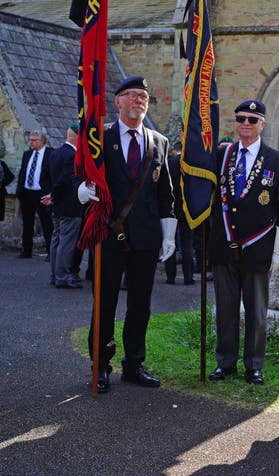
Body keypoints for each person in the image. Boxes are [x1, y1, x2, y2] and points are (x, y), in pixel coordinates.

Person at [76, 76, 177, 393]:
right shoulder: (100, 138)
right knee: (104, 304)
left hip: (146, 238)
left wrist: (169, 234)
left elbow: (165, 196)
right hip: (108, 234)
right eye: (132, 95)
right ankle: (101, 365)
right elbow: (79, 174)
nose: (139, 100)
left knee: (140, 305)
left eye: (144, 96)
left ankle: (133, 364)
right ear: (117, 101)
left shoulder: (158, 142)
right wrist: (82, 191)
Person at [209, 100, 279, 385]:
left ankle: (254, 365)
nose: (245, 124)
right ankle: (225, 362)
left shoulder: (278, 162)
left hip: (258, 247)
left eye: (251, 119)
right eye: (240, 119)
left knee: (257, 311)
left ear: (262, 124)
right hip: (225, 244)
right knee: (225, 308)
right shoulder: (221, 156)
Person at [41, 123, 84, 288]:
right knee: (66, 242)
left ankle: (55, 274)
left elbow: (46, 177)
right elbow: (65, 180)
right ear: (78, 137)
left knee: (56, 240)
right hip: (69, 206)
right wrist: (53, 196)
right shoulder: (73, 156)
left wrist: (51, 195)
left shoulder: (55, 153)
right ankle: (62, 276)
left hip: (58, 205)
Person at [15, 130, 53, 259]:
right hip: (27, 193)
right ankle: (26, 250)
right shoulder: (27, 154)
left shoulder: (50, 154)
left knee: (46, 223)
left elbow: (53, 175)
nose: (30, 142)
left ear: (42, 141)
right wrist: (19, 191)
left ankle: (50, 252)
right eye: (30, 140)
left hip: (42, 194)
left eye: (34, 140)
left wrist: (51, 193)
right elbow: (23, 173)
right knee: (27, 223)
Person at [164, 141, 195, 285]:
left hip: (172, 207)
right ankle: (188, 277)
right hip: (187, 207)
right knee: (187, 243)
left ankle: (170, 276)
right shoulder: (192, 165)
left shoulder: (170, 163)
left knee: (169, 240)